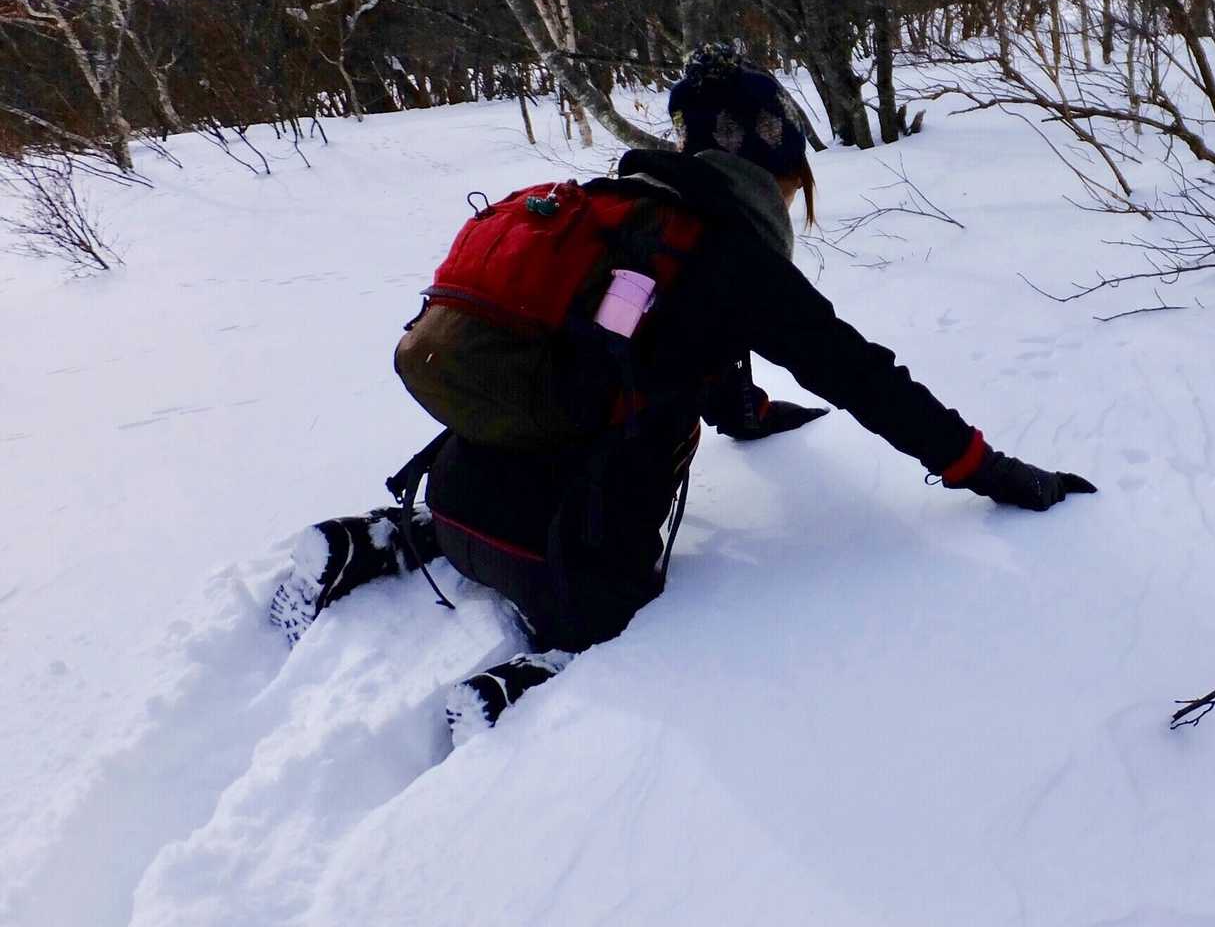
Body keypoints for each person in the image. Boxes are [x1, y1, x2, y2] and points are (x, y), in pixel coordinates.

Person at [269, 47, 1095, 741]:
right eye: (792, 179)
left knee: (574, 411)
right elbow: (863, 378)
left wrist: (753, 415)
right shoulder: (731, 257)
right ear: (773, 166)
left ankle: (384, 539)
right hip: (566, 557)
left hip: (457, 496)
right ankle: (516, 689)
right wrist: (989, 470)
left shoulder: (621, 214)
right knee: (616, 605)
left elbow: (680, 348)